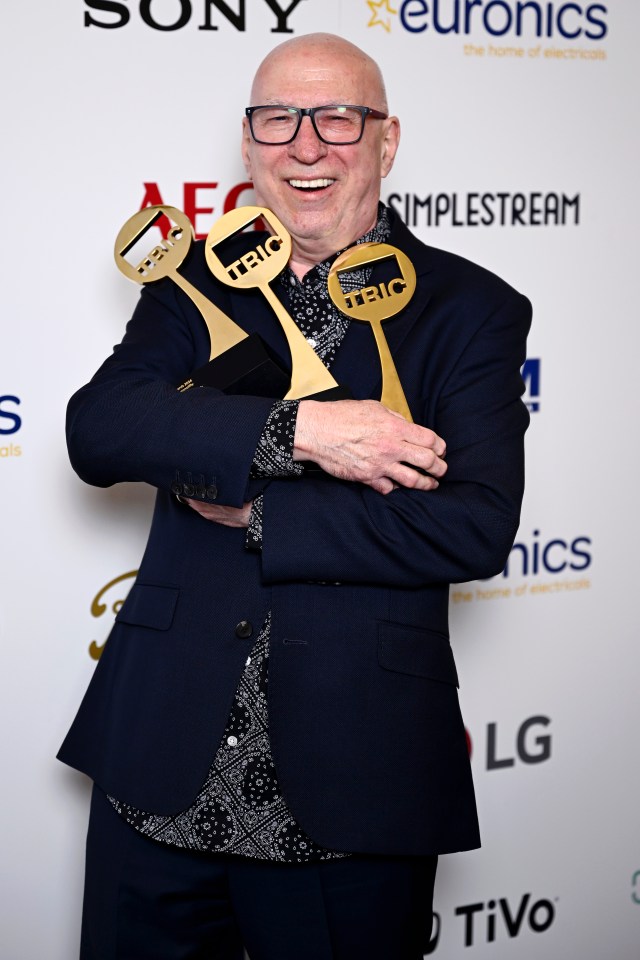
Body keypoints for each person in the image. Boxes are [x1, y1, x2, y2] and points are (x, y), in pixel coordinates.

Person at [59, 32, 531, 960]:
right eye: (278, 119)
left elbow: (473, 524)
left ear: (386, 142)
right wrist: (304, 432)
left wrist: (263, 512)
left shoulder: (469, 307)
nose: (306, 146)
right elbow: (100, 428)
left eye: (338, 118)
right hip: (160, 770)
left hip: (355, 783)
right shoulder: (195, 282)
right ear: (249, 144)